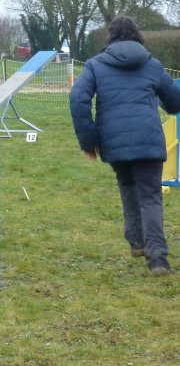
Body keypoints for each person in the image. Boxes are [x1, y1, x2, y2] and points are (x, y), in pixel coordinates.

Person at [69, 16, 180, 276]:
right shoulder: (152, 64)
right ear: (137, 36)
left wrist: (89, 141)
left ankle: (138, 242)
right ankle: (158, 260)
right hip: (149, 140)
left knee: (128, 186)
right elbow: (174, 103)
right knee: (150, 196)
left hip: (114, 141)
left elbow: (78, 98)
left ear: (110, 37)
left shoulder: (96, 65)